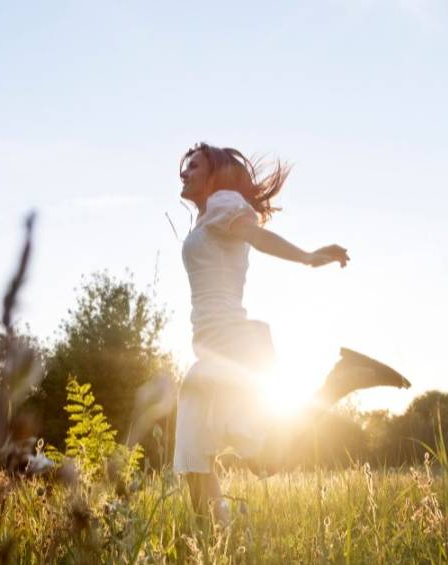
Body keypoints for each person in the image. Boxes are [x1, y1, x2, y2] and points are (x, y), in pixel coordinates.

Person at [173, 142, 410, 524]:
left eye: (194, 166)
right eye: (185, 167)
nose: (184, 173)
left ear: (215, 175)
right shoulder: (207, 218)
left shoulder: (222, 205)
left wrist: (307, 257)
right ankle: (217, 536)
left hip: (231, 347)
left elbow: (257, 236)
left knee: (261, 458)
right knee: (194, 455)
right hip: (211, 351)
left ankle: (340, 381)